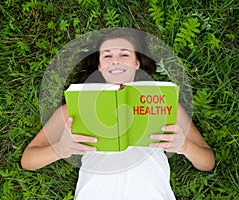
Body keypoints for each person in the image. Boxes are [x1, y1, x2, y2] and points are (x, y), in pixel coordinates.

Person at [21, 28, 215, 199]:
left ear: (137, 63)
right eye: (107, 55)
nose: (115, 60)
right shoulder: (76, 106)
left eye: (124, 55)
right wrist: (60, 149)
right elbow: (28, 160)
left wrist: (184, 146)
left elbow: (207, 162)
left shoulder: (163, 103)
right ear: (99, 66)